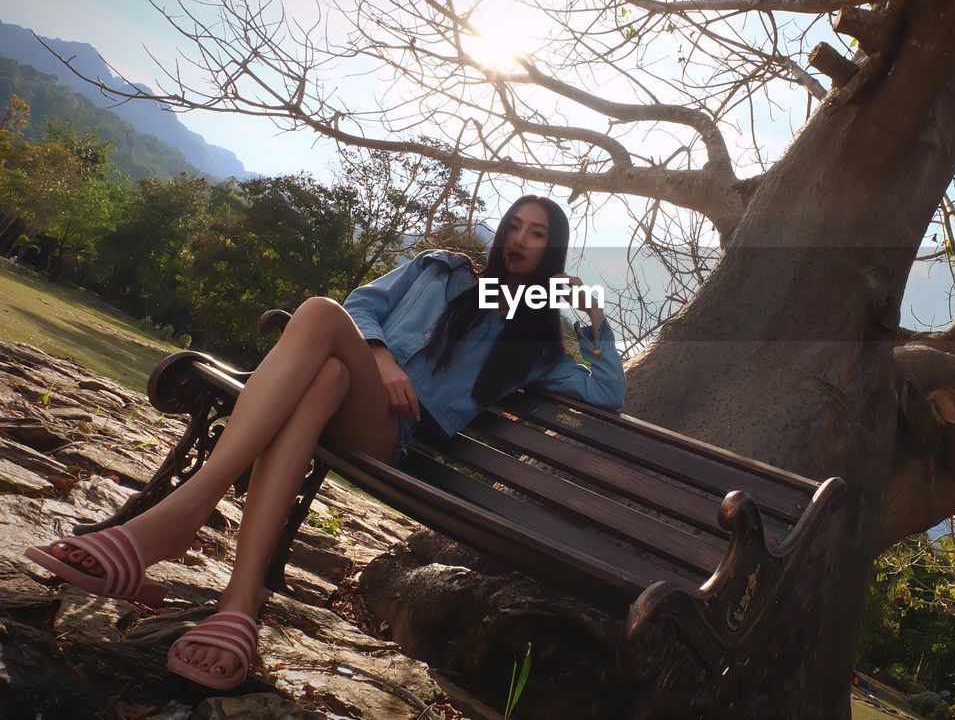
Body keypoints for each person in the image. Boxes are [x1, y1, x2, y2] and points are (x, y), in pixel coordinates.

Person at [24, 194, 626, 690]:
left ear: (554, 251)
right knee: (331, 373)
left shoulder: (538, 337)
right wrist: (381, 355)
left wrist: (593, 318)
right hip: (344, 391)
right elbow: (365, 304)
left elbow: (605, 392)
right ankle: (238, 604)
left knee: (315, 312)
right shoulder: (440, 270)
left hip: (392, 434)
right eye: (513, 225)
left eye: (537, 233)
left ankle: (184, 513)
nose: (519, 238)